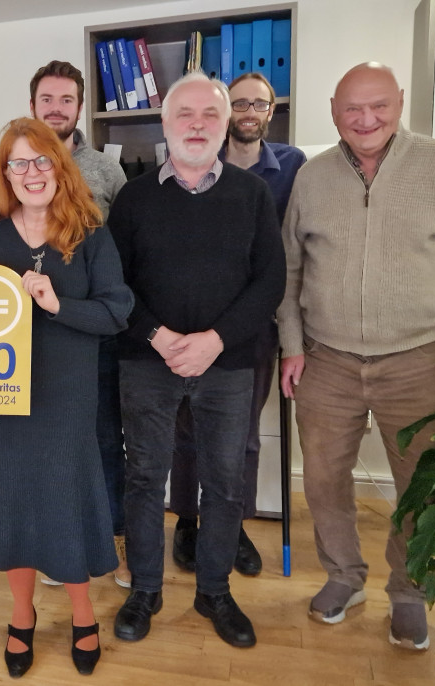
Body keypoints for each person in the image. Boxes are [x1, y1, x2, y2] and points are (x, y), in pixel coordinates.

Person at [278, 62, 435, 650]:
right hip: (327, 360)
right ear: (332, 110)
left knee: (420, 486)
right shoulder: (312, 177)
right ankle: (343, 577)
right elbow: (289, 270)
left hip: (420, 361)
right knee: (322, 481)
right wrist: (292, 346)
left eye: (378, 106)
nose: (366, 119)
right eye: (352, 108)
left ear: (400, 102)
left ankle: (409, 591)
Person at [109, 72, 285, 649]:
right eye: (185, 114)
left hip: (228, 364)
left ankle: (214, 591)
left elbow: (270, 282)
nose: (198, 124)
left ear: (225, 122)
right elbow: (115, 285)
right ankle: (146, 590)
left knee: (226, 483)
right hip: (147, 362)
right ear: (165, 123)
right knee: (144, 479)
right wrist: (158, 336)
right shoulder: (133, 198)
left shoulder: (252, 194)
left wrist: (214, 339)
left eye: (210, 115)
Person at [0, 117, 133, 678]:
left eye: (42, 161)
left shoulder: (91, 233)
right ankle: (22, 615)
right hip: (1, 398)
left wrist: (58, 304)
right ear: (4, 173)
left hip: (66, 398)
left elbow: (116, 312)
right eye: (18, 163)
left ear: (60, 167)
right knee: (12, 510)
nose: (31, 173)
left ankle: (83, 614)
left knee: (66, 506)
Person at [168, 72, 307, 576]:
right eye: (241, 102)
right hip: (191, 322)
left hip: (252, 323)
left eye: (260, 104)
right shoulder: (198, 158)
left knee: (241, 432)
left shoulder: (294, 167)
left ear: (272, 111)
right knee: (186, 429)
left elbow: (290, 249)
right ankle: (187, 519)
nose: (250, 112)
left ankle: (232, 521)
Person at [28, 59, 131, 587]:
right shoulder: (15, 163)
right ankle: (56, 539)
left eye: (66, 100)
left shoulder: (107, 172)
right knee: (50, 440)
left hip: (94, 333)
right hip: (35, 338)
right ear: (33, 106)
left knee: (104, 438)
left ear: (80, 106)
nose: (56, 109)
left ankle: (114, 533)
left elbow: (123, 255)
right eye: (48, 99)